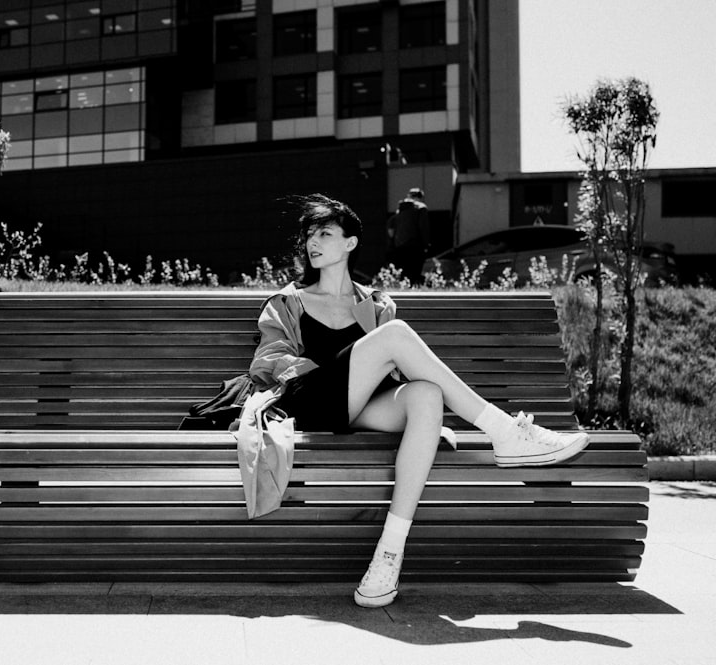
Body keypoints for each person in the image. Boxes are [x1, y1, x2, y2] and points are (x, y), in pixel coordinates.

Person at [249, 194, 589, 609]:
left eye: (324, 233)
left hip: (355, 408)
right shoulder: (290, 301)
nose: (312, 243)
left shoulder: (375, 305)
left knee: (427, 397)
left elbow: (391, 378)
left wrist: (422, 423)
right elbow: (269, 363)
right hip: (308, 403)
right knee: (395, 337)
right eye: (309, 235)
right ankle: (504, 431)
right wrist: (333, 371)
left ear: (351, 242)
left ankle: (387, 557)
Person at [386, 188, 430, 284]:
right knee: (415, 271)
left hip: (400, 246)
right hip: (415, 245)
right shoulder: (421, 208)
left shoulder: (399, 210)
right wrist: (426, 245)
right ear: (420, 197)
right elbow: (423, 228)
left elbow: (391, 228)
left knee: (404, 272)